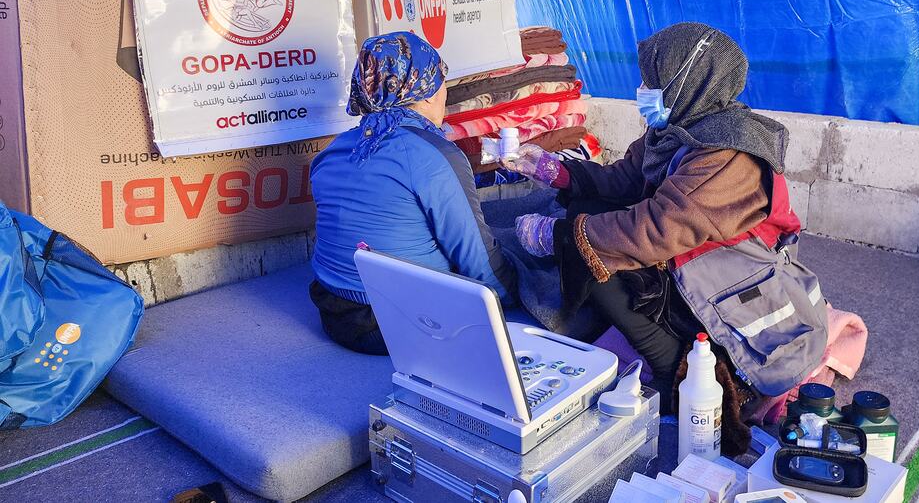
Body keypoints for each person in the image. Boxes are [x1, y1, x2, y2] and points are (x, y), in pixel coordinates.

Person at [506, 23, 828, 449]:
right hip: (690, 261)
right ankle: (644, 329)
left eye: (651, 81)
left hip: (733, 288)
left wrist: (559, 235)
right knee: (586, 214)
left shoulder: (730, 155)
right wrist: (561, 172)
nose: (642, 89)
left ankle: (674, 367)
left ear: (687, 81)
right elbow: (626, 178)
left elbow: (654, 229)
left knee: (595, 262)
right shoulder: (678, 128)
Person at [310, 32, 516, 355]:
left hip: (333, 313)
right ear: (426, 91)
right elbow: (477, 259)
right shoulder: (435, 155)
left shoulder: (331, 152)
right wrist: (510, 297)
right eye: (440, 80)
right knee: (518, 245)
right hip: (400, 325)